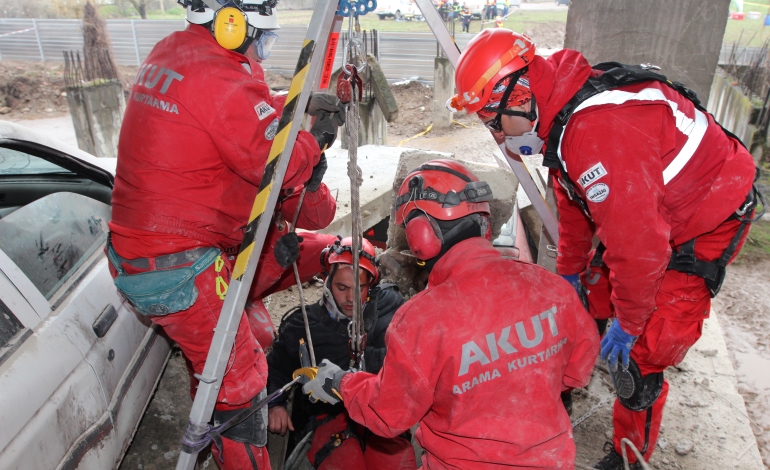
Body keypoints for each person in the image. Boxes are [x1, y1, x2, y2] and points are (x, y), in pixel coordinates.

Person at [447, 28, 762, 468]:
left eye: (492, 121)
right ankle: (568, 386)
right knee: (586, 302)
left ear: (516, 94)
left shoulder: (597, 132)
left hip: (709, 215)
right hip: (657, 210)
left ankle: (629, 457)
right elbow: (574, 197)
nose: (499, 137)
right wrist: (572, 272)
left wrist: (631, 323)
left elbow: (639, 248)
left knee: (641, 357)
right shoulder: (561, 106)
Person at [106, 0, 342, 467]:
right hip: (177, 262)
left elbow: (229, 114)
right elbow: (277, 164)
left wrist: (287, 109)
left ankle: (219, 433)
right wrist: (315, 140)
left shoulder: (174, 51)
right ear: (231, 24)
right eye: (262, 40)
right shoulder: (219, 76)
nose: (258, 54)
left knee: (220, 362)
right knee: (241, 383)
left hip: (141, 251)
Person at [300, 160, 600, 468]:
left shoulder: (422, 319)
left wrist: (342, 383)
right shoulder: (552, 288)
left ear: (420, 235)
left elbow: (387, 415)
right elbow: (576, 371)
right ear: (484, 219)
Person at [266, 237, 416, 469]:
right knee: (346, 460)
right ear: (326, 280)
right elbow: (276, 367)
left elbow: (407, 363)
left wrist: (362, 363)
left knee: (396, 462)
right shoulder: (304, 325)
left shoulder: (389, 308)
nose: (350, 298)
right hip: (328, 418)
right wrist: (275, 404)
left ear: (372, 283)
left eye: (360, 288)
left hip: (380, 411)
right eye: (342, 287)